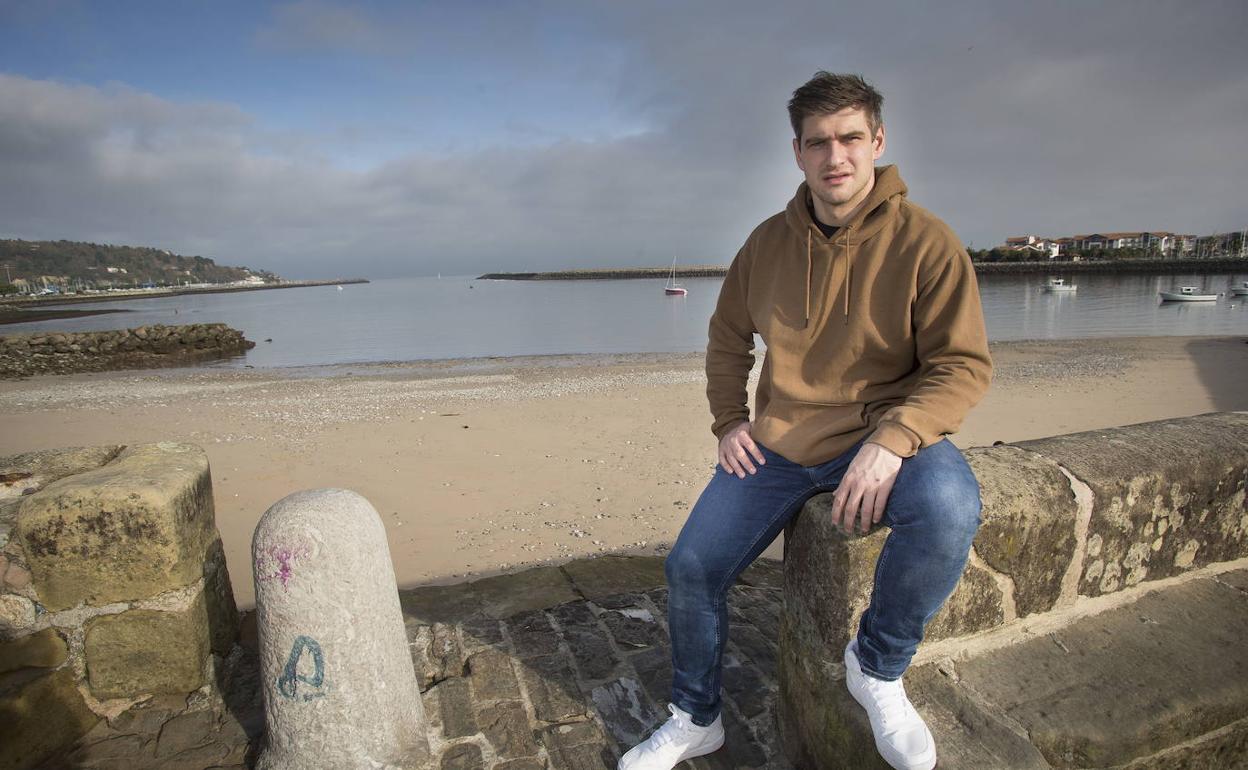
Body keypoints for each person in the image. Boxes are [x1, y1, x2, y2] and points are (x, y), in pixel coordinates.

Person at [618, 72, 992, 770]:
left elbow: (962, 365)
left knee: (948, 507)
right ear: (797, 152)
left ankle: (876, 666)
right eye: (818, 142)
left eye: (851, 138)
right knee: (691, 567)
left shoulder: (928, 242)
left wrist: (896, 437)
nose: (836, 156)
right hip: (780, 444)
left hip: (883, 433)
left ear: (877, 141)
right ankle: (696, 717)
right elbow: (728, 340)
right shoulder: (765, 245)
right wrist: (729, 421)